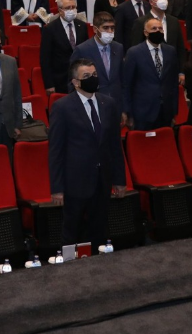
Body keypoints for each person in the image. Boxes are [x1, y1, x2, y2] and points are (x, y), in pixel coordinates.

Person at [48, 58, 126, 247]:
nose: (92, 79)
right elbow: (55, 151)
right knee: (71, 230)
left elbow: (115, 145)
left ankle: (99, 267)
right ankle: (67, 268)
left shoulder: (109, 103)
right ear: (75, 82)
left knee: (99, 229)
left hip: (103, 179)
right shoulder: (62, 107)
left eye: (94, 75)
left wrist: (119, 179)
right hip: (75, 181)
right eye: (86, 76)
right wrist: (57, 188)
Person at [123, 17, 180, 129]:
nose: (158, 31)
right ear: (145, 32)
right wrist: (128, 112)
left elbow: (173, 83)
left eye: (160, 28)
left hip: (166, 111)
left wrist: (174, 111)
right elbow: (127, 84)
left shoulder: (170, 51)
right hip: (143, 112)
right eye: (154, 28)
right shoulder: (134, 52)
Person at [70, 12, 124, 112]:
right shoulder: (82, 49)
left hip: (116, 104)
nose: (110, 31)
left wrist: (124, 110)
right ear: (95, 29)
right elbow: (73, 81)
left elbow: (122, 79)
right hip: (93, 104)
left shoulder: (118, 48)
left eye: (112, 28)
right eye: (106, 28)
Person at [40, 0, 89, 95]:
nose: (71, 10)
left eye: (73, 7)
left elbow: (86, 53)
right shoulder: (50, 29)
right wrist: (49, 84)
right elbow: (45, 59)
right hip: (60, 80)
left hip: (81, 79)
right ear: (60, 10)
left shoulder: (82, 26)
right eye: (68, 8)